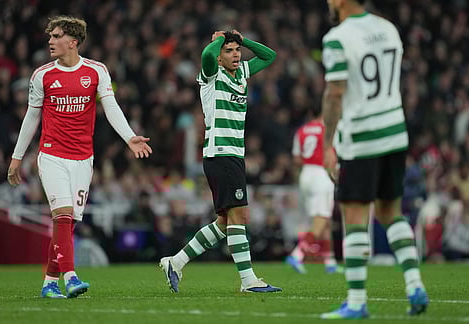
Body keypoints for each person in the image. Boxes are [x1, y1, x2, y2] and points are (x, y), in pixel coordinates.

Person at [7, 16, 152, 299]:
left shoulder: (97, 71)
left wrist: (129, 136)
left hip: (83, 159)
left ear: (73, 42)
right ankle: (71, 277)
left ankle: (50, 281)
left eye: (57, 36)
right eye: (50, 36)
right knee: (62, 216)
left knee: (68, 223)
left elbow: (111, 107)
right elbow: (31, 117)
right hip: (52, 155)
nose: (50, 41)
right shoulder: (42, 75)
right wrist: (16, 157)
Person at [320, 0, 429, 319]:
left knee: (354, 215)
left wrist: (328, 143)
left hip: (363, 135)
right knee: (390, 212)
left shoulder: (337, 38)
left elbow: (335, 93)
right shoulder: (388, 29)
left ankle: (356, 301)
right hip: (395, 132)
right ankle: (415, 285)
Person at [159, 30, 281, 293]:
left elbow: (269, 56)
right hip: (220, 152)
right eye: (229, 50)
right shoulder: (212, 75)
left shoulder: (243, 73)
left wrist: (242, 39)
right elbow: (206, 54)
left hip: (234, 154)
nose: (236, 54)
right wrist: (219, 39)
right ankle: (248, 281)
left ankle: (175, 261)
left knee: (225, 223)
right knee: (240, 215)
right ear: (219, 56)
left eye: (237, 50)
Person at [285, 105, 340, 274]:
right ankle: (297, 254)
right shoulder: (329, 130)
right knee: (321, 219)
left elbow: (296, 159)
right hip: (321, 174)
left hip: (306, 175)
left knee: (324, 222)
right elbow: (333, 155)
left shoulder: (301, 131)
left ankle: (330, 261)